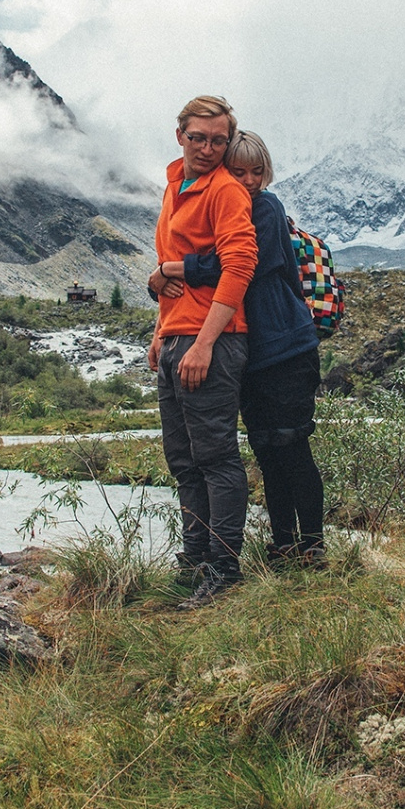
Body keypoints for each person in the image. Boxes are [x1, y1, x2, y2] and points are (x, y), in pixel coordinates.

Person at [152, 132, 325, 565]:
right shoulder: (232, 209)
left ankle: (314, 544)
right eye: (238, 171)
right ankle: (284, 542)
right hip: (257, 352)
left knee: (293, 446)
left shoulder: (265, 208)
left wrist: (173, 268)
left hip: (285, 349)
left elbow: (240, 265)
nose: (248, 180)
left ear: (267, 172)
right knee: (267, 450)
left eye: (256, 172)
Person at [147, 95, 258, 607]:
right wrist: (160, 335)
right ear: (180, 136)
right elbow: (170, 268)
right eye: (199, 138)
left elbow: (239, 267)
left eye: (219, 140)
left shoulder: (226, 191)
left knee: (215, 458)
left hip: (210, 341)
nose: (209, 148)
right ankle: (193, 562)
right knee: (183, 461)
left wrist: (205, 344)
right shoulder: (176, 184)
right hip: (177, 339)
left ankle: (224, 570)